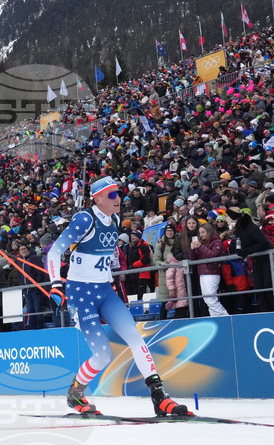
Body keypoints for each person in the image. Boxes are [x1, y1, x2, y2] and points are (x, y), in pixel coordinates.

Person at [47, 176, 189, 417]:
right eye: (112, 194)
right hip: (81, 294)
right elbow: (54, 251)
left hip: (104, 290)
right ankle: (76, 392)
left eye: (119, 193)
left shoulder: (113, 219)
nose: (118, 198)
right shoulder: (85, 219)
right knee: (102, 355)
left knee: (135, 337)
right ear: (97, 198)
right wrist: (55, 285)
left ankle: (159, 397)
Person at [189, 223, 229, 316]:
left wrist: (200, 247)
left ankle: (225, 317)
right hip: (202, 272)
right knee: (207, 299)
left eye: (203, 232)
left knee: (211, 299)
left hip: (212, 272)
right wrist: (191, 249)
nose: (201, 235)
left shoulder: (216, 242)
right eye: (200, 233)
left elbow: (213, 255)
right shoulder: (201, 243)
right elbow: (193, 259)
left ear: (209, 232)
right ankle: (215, 318)